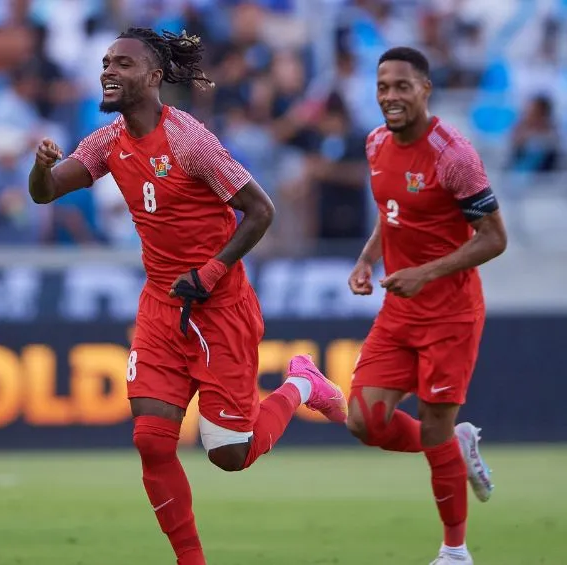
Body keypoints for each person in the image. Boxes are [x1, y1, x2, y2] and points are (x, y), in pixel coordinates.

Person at [28, 27, 348, 565]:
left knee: (230, 454)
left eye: (122, 64)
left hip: (219, 306)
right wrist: (39, 168)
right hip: (161, 306)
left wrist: (211, 270)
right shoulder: (107, 142)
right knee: (152, 441)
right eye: (106, 61)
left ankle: (299, 382)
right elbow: (47, 193)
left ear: (153, 77)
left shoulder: (189, 141)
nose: (108, 70)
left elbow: (261, 210)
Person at [347, 47, 507, 565]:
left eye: (401, 87)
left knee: (434, 424)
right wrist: (368, 259)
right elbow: (392, 214)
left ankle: (455, 551)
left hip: (450, 314)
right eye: (383, 87)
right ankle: (453, 448)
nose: (390, 97)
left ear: (425, 89)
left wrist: (427, 272)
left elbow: (494, 238)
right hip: (400, 309)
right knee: (364, 420)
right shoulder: (375, 143)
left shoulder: (453, 154)